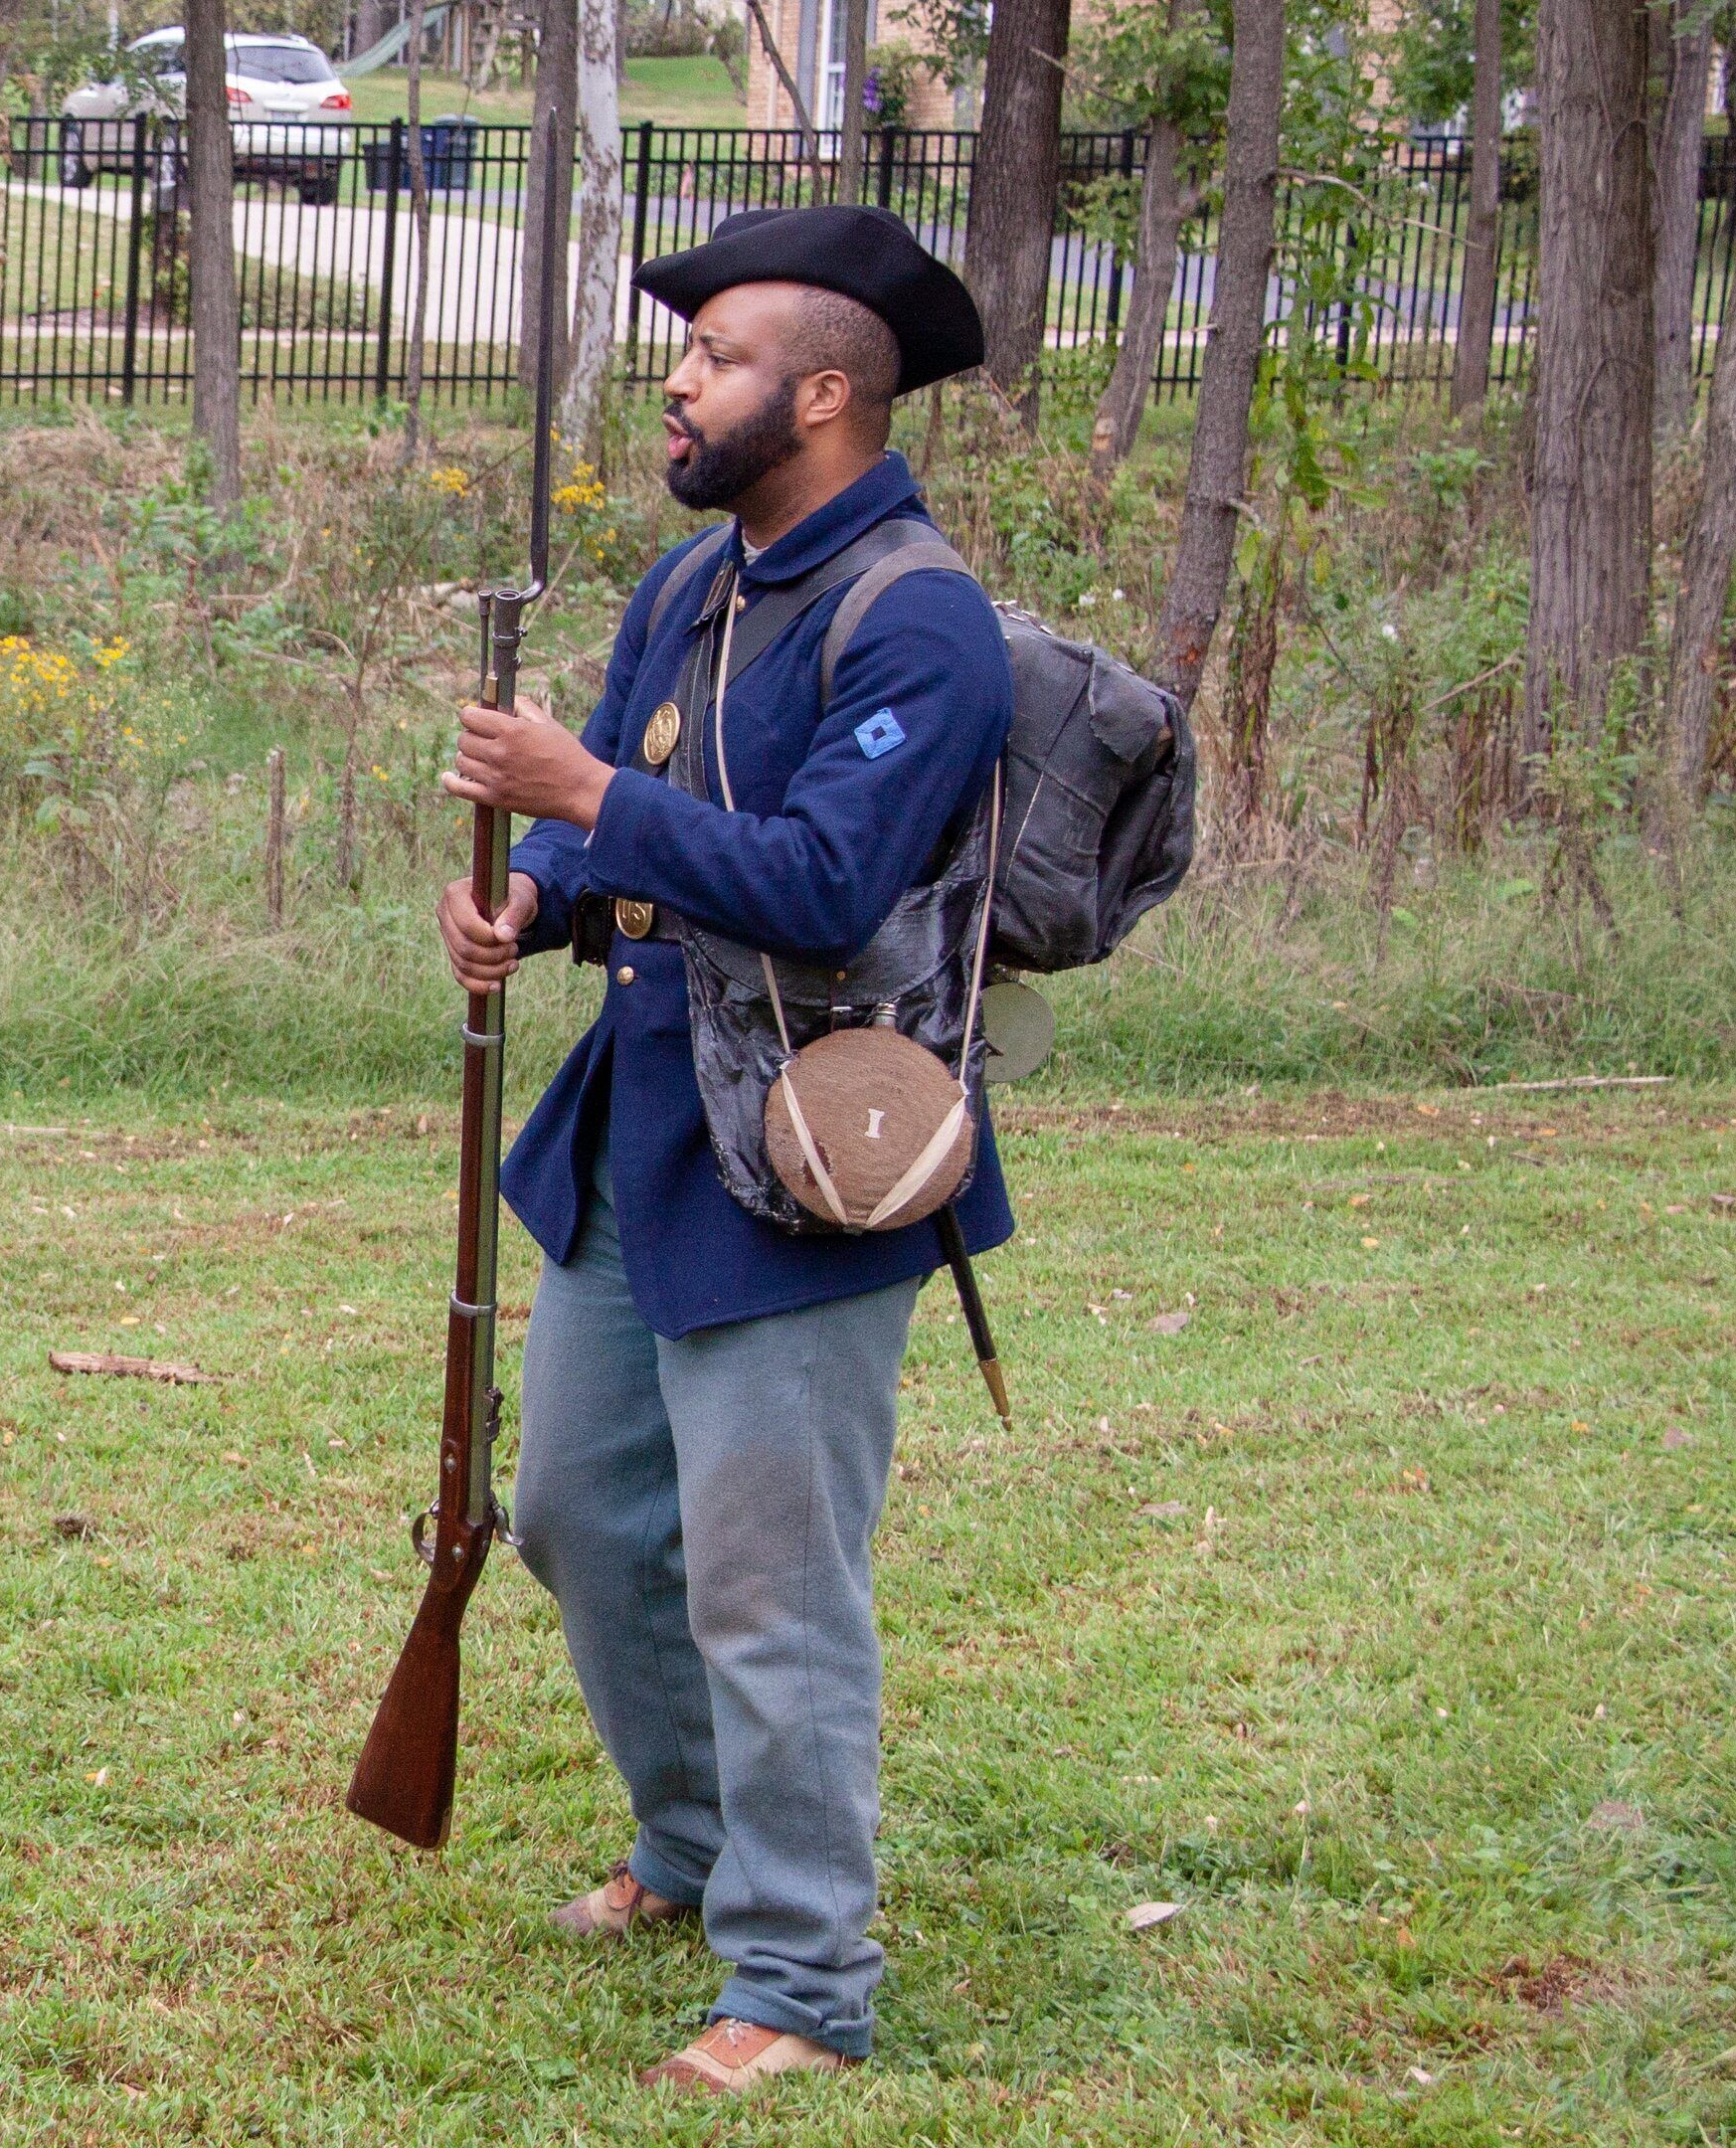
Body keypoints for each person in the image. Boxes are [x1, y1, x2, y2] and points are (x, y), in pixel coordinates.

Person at [433, 205, 1013, 2095]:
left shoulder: (919, 617)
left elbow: (832, 885)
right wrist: (531, 889)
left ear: (824, 395)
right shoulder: (695, 582)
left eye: (716, 358)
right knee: (578, 1517)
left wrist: (586, 796)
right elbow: (605, 800)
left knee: (773, 1588)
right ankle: (690, 1847)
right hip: (649, 1125)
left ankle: (806, 1979)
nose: (676, 386)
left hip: (816, 1158)